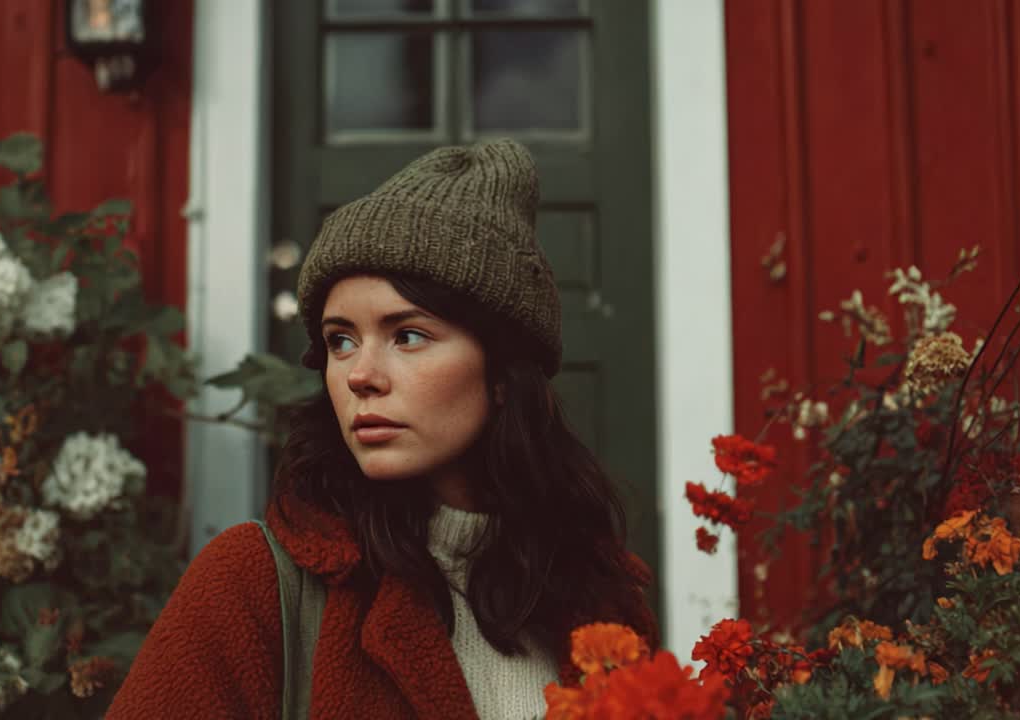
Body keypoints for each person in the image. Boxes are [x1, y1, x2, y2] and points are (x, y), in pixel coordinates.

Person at [107, 138, 657, 719]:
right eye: (340, 340)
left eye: (408, 335)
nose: (360, 376)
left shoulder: (599, 596)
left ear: (502, 373)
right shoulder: (254, 584)